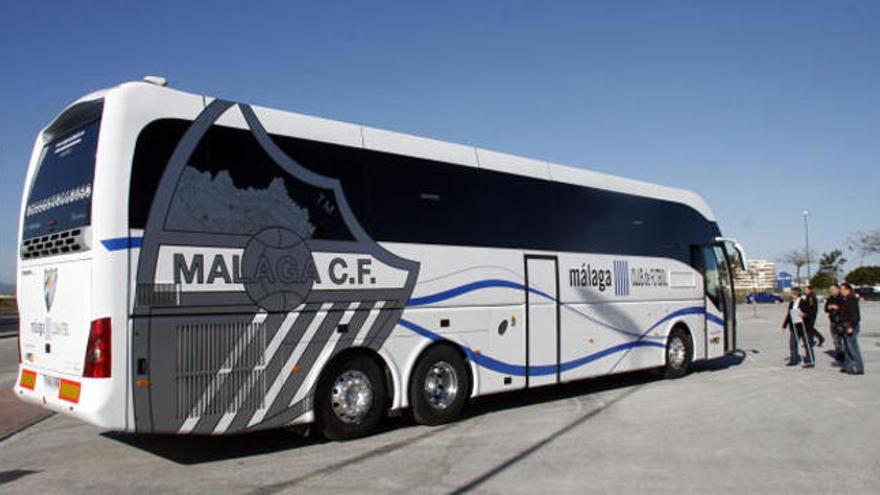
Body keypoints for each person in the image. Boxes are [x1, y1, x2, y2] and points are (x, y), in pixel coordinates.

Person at [781, 287, 815, 368]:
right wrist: (784, 325)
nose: (791, 294)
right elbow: (789, 314)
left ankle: (810, 360)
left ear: (796, 293)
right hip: (794, 326)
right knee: (793, 343)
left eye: (792, 293)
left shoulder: (804, 302)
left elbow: (810, 313)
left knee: (807, 344)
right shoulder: (792, 303)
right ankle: (794, 359)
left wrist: (804, 314)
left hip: (804, 326)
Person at [839, 283, 864, 375]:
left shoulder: (851, 299)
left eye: (842, 289)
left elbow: (856, 316)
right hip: (845, 325)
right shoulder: (845, 299)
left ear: (847, 290)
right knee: (847, 347)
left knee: (852, 347)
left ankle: (859, 368)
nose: (840, 291)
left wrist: (851, 327)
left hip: (851, 326)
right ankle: (848, 366)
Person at [824, 284, 845, 361]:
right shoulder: (830, 298)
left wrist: (837, 307)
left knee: (843, 338)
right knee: (836, 338)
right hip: (833, 320)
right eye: (830, 290)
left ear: (837, 289)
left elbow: (846, 308)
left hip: (841, 321)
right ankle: (839, 353)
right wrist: (829, 307)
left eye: (833, 290)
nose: (832, 292)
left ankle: (845, 354)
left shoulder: (842, 298)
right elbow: (826, 309)